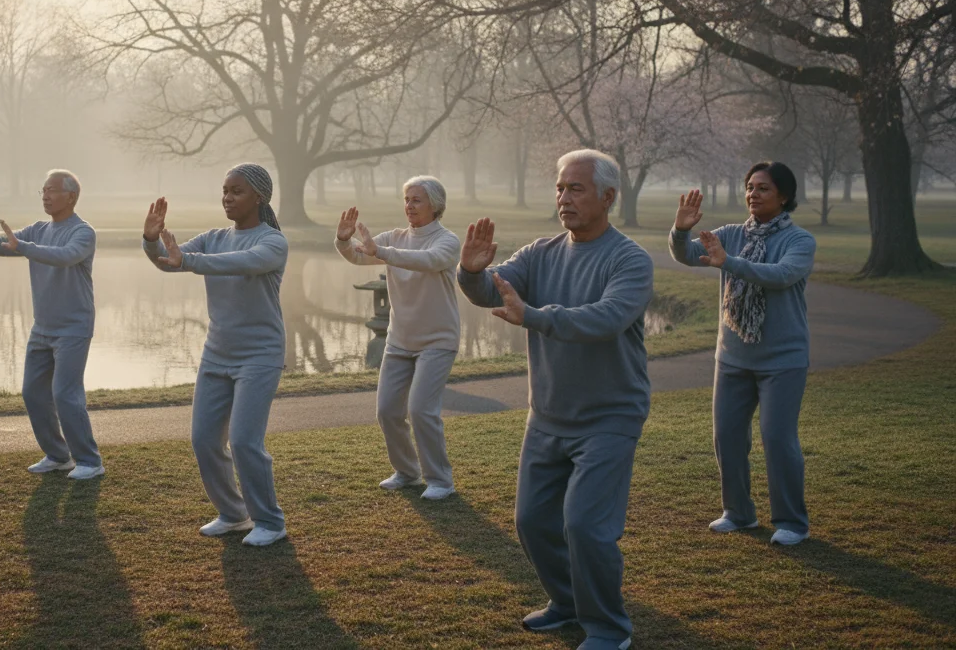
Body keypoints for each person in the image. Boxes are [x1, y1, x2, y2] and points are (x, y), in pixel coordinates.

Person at [458, 149, 652, 650]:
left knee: (586, 526)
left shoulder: (629, 259)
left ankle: (610, 628)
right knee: (533, 521)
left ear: (609, 197)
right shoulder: (540, 251)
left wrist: (537, 317)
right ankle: (566, 603)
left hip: (610, 416)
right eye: (561, 188)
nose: (564, 198)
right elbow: (491, 290)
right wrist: (471, 273)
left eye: (577, 189)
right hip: (547, 415)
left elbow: (606, 318)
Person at [142, 163, 289, 547]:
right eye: (224, 190)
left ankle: (270, 522)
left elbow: (237, 264)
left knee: (243, 442)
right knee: (205, 440)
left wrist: (188, 261)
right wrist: (150, 239)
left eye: (236, 191)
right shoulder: (212, 237)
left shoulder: (272, 242)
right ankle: (233, 514)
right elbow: (169, 260)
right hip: (217, 355)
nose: (227, 197)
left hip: (260, 355)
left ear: (258, 196)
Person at [670, 161, 816, 546]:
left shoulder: (799, 241)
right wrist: (681, 229)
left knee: (777, 438)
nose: (753, 194)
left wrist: (729, 262)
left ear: (784, 195)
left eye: (764, 188)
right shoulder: (731, 234)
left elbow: (782, 275)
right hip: (733, 357)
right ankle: (738, 513)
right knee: (728, 437)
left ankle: (792, 522)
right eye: (750, 187)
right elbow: (686, 255)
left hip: (782, 360)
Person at [334, 176, 461, 500]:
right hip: (399, 340)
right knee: (388, 410)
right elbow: (361, 256)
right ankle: (407, 472)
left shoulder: (447, 241)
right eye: (406, 199)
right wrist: (344, 241)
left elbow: (427, 261)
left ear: (435, 205)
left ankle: (440, 480)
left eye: (416, 200)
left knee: (421, 410)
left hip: (438, 340)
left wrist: (384, 252)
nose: (409, 205)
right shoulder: (394, 238)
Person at [0, 169, 104, 480]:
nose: (45, 196)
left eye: (52, 190)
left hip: (74, 327)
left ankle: (89, 460)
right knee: (33, 393)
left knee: (65, 394)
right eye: (43, 191)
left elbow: (64, 256)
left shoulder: (83, 233)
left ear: (71, 197)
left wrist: (23, 247)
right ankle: (58, 456)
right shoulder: (37, 229)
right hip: (42, 327)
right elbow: (3, 244)